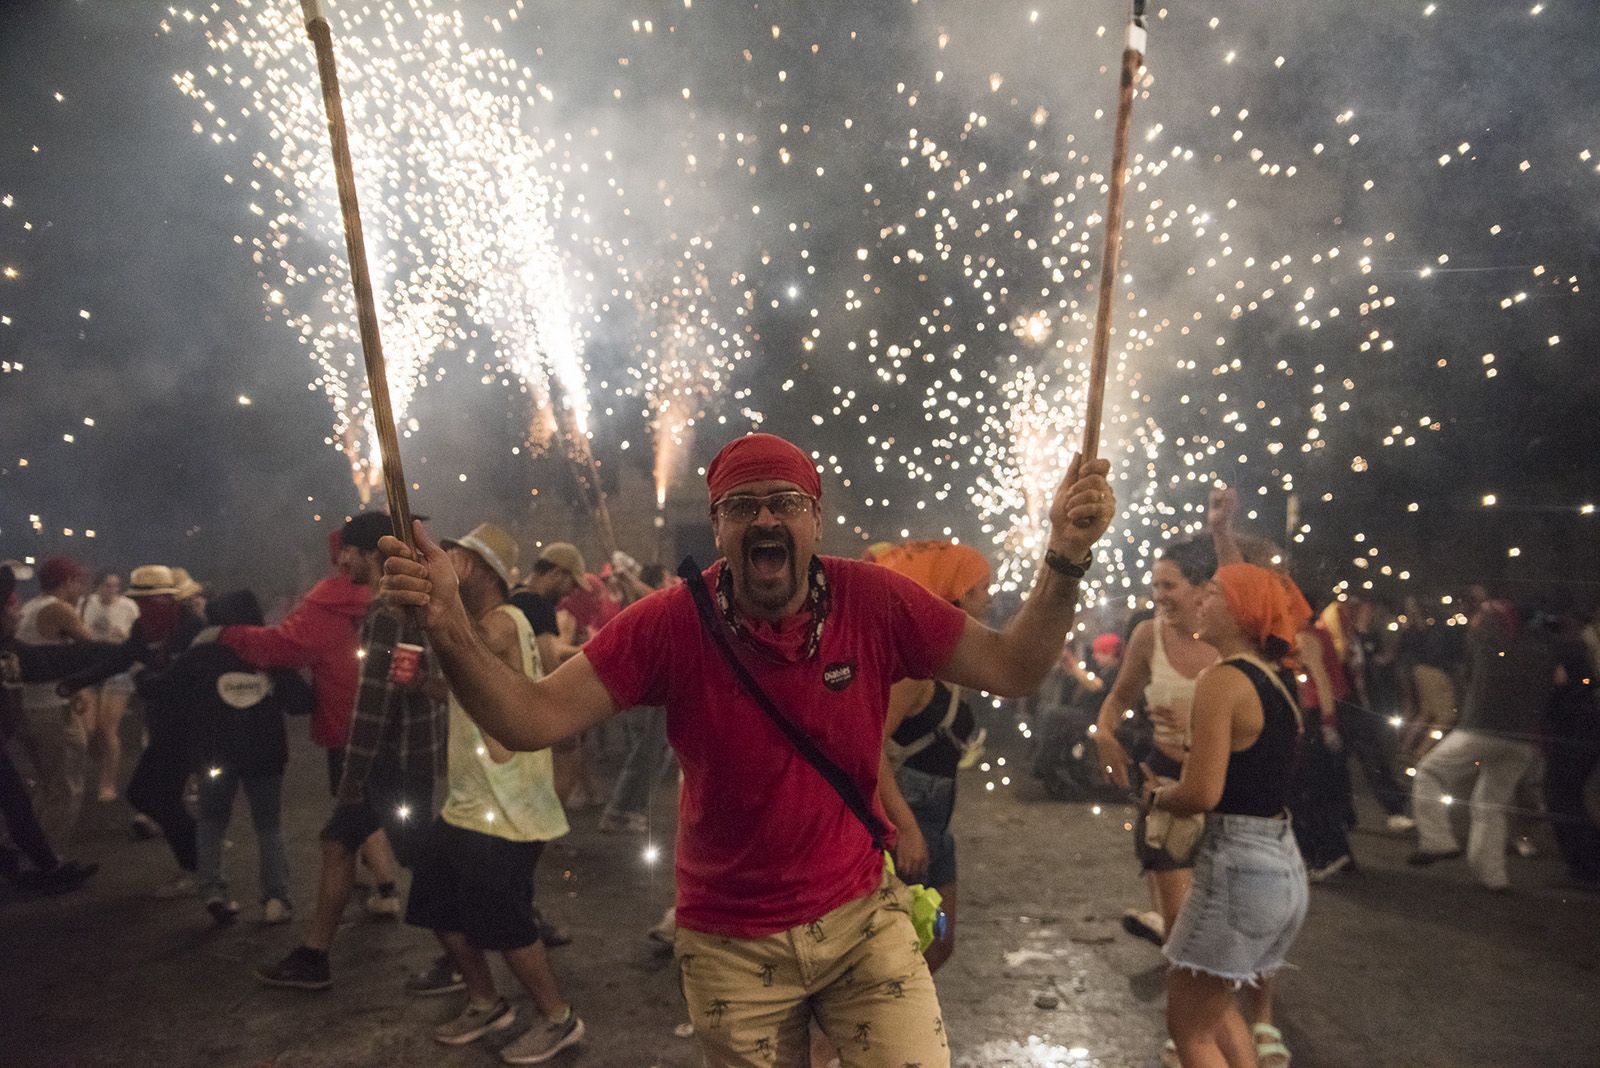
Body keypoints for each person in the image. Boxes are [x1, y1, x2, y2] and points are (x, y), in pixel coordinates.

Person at [380, 431, 1114, 1067]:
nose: (766, 517)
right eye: (744, 505)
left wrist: (1066, 557)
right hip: (730, 941)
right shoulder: (667, 623)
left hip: (863, 917)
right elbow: (529, 718)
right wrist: (448, 623)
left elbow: (1015, 668)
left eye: (786, 503)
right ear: (719, 524)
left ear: (815, 518)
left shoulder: (875, 600)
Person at [406, 523, 585, 1062]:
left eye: (456, 556)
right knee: (436, 904)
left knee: (507, 925)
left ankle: (559, 1019)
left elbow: (465, 645)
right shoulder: (484, 628)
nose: (449, 562)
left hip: (508, 809)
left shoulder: (502, 624)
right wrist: (423, 686)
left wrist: (426, 607)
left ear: (480, 567)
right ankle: (486, 1002)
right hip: (469, 805)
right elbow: (464, 689)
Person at [255, 522, 443, 990]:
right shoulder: (413, 603)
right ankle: (314, 955)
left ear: (368, 554)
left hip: (390, 762)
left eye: (348, 553)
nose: (341, 563)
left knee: (423, 859)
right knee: (338, 843)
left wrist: (354, 774)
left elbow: (374, 703)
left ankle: (474, 953)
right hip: (403, 757)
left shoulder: (388, 610)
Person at [1143, 564, 1311, 1068]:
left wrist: (1158, 797)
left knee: (1189, 1031)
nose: (1199, 601)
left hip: (1238, 869)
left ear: (1241, 612)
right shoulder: (1280, 681)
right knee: (1215, 1016)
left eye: (1212, 594)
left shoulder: (1221, 680)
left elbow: (1203, 793)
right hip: (1282, 866)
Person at [221, 513, 405, 918]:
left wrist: (229, 634)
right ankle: (372, 881)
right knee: (366, 811)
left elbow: (283, 645)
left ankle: (385, 892)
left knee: (356, 809)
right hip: (395, 728)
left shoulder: (329, 602)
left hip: (348, 723)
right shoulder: (393, 596)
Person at [135, 590, 307, 925]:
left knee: (211, 821)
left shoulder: (199, 654)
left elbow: (162, 689)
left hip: (215, 754)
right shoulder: (268, 649)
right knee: (268, 825)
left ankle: (213, 890)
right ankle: (275, 899)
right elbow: (301, 702)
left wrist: (140, 674)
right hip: (264, 752)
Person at [874, 539, 991, 977]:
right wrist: (905, 827)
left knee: (938, 945)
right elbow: (869, 748)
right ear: (956, 596)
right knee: (893, 962)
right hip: (907, 825)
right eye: (982, 589)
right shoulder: (913, 668)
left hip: (935, 828)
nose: (991, 598)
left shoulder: (942, 659)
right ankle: (837, 1047)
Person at [1410, 596, 1562, 890]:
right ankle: (1494, 877)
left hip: (1481, 730)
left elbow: (1475, 634)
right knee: (1490, 805)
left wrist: (1483, 612)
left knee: (1428, 772)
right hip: (1523, 741)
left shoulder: (1487, 643)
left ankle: (1437, 840)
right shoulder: (1543, 651)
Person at [0, 562, 98, 894]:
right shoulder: (58, 609)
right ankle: (47, 862)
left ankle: (33, 858)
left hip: (28, 710)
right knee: (65, 786)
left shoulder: (30, 609)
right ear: (69, 580)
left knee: (38, 790)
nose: (82, 589)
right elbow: (89, 648)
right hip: (52, 709)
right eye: (79, 581)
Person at [510, 545, 594, 809]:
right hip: (534, 704)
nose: (572, 592)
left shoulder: (513, 597)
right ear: (558, 573)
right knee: (568, 756)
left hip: (512, 699)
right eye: (571, 583)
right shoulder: (539, 605)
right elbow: (549, 662)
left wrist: (586, 650)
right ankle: (544, 838)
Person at [599, 562, 676, 835]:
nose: (670, 580)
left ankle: (631, 808)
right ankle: (621, 810)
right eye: (666, 576)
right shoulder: (651, 607)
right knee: (646, 752)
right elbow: (659, 600)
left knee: (656, 752)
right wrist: (630, 581)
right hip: (646, 688)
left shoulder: (656, 603)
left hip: (657, 689)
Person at [1292, 602, 1358, 882]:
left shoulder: (1305, 635)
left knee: (1312, 788)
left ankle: (1329, 855)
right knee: (1321, 786)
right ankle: (1336, 854)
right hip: (1323, 712)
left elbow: (1321, 681)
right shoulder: (1314, 632)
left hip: (1320, 713)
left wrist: (1328, 723)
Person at [78, 571, 140, 802]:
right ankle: (105, 763)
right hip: (90, 667)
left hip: (117, 668)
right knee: (89, 729)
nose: (112, 590)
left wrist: (125, 636)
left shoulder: (129, 607)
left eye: (116, 586)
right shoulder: (85, 604)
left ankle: (108, 783)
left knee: (108, 728)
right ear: (97, 586)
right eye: (107, 586)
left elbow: (137, 638)